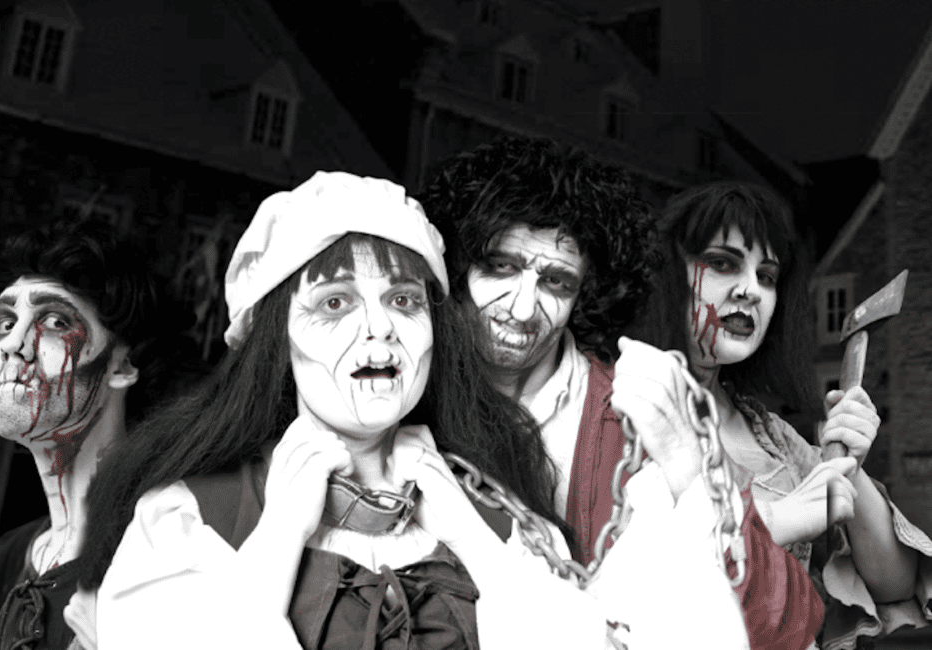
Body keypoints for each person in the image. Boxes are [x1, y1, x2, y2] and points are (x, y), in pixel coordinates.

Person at [66, 171, 628, 649]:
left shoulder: (500, 516)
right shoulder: (190, 517)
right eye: (335, 302)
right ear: (277, 340)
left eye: (404, 300)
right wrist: (280, 536)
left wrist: (471, 536)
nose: (380, 327)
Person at [419, 137, 824, 650]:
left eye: (556, 282)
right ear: (458, 268)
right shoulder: (405, 399)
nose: (521, 309)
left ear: (585, 292)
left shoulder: (642, 416)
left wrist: (688, 472)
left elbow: (788, 626)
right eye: (500, 267)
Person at [635, 180, 932, 649]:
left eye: (767, 276)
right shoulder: (618, 411)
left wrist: (849, 468)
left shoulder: (778, 441)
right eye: (722, 263)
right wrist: (779, 518)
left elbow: (893, 585)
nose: (750, 290)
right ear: (668, 274)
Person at [0, 220, 158, 650]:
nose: (13, 344)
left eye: (56, 321)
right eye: (5, 323)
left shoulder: (170, 552)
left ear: (122, 365)